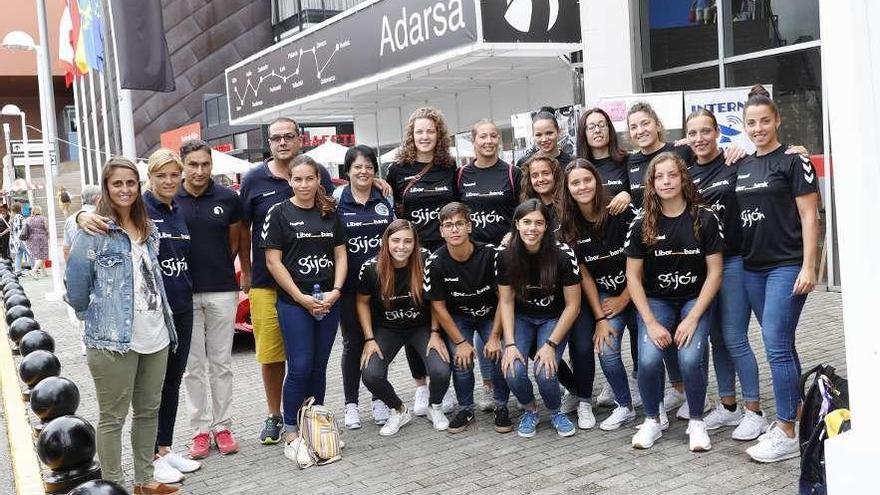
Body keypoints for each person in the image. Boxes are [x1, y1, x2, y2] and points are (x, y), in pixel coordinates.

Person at [65, 157, 180, 495]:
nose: (125, 190)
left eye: (131, 183)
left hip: (156, 334)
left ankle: (144, 480)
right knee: (113, 417)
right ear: (106, 187)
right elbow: (75, 286)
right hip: (112, 341)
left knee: (148, 411)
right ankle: (112, 486)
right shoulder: (94, 230)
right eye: (118, 183)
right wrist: (97, 317)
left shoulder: (148, 228)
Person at [238, 117, 336, 445]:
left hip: (314, 286)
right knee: (272, 354)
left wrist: (377, 184)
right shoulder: (254, 178)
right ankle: (274, 415)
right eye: (276, 138)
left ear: (299, 139)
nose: (282, 142)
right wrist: (247, 271)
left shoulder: (315, 172)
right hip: (268, 282)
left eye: (288, 136)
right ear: (270, 142)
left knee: (308, 359)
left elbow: (333, 210)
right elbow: (241, 226)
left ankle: (309, 415)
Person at [736, 91, 820, 463]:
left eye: (764, 121)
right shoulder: (741, 163)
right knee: (783, 344)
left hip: (787, 266)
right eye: (751, 123)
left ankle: (786, 430)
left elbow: (809, 216)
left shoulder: (794, 161)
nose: (758, 129)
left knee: (775, 345)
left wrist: (809, 265)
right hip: (753, 269)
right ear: (743, 126)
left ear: (777, 120)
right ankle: (799, 415)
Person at [625, 152, 723, 452]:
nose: (666, 181)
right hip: (657, 301)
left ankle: (696, 422)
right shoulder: (641, 224)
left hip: (694, 300)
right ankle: (653, 420)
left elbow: (716, 272)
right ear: (651, 183)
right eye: (659, 177)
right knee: (649, 360)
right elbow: (632, 277)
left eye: (672, 175)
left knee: (690, 358)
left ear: (683, 179)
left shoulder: (704, 218)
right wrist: (651, 323)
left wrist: (693, 317)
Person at [685, 109, 768, 441]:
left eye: (706, 131)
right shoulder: (685, 172)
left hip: (733, 262)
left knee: (734, 337)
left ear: (718, 132)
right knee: (715, 338)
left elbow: (769, 158)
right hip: (703, 266)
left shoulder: (736, 161)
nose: (700, 138)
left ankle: (755, 411)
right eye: (693, 133)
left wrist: (798, 151)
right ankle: (728, 405)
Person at [262, 154, 347, 461]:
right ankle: (290, 431)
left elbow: (340, 255)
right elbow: (273, 261)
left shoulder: (330, 212)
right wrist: (300, 297)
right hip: (294, 303)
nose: (304, 184)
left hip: (328, 300)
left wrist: (336, 291)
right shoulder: (279, 212)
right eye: (297, 179)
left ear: (318, 180)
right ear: (290, 181)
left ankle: (313, 424)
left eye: (309, 178)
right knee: (299, 365)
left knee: (319, 367)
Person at [385, 107, 458, 415]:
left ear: (438, 135)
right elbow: (389, 204)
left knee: (444, 316)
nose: (425, 136)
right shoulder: (397, 169)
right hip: (411, 254)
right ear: (411, 135)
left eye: (430, 131)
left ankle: (449, 385)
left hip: (443, 254)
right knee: (415, 316)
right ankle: (420, 386)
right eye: (419, 132)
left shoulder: (449, 167)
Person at [558, 159, 638, 431]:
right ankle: (625, 406)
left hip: (637, 290)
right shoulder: (568, 225)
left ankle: (656, 406)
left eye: (587, 180)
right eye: (575, 183)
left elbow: (642, 259)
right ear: (567, 189)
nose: (582, 187)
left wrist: (625, 298)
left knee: (648, 352)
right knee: (606, 348)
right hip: (605, 293)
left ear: (597, 180)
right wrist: (600, 318)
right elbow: (585, 276)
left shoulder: (620, 210)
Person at [358, 220, 451, 435]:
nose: (402, 246)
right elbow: (362, 302)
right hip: (388, 328)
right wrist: (369, 339)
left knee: (441, 370)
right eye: (396, 240)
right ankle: (399, 410)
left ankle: (434, 406)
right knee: (371, 374)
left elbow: (437, 299)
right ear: (386, 241)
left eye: (408, 241)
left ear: (415, 242)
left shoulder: (427, 259)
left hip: (421, 326)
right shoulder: (371, 267)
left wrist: (436, 333)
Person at [141, 149, 201, 484]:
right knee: (152, 387)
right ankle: (149, 455)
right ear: (150, 177)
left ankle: (165, 448)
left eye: (173, 175)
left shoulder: (177, 210)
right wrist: (79, 217)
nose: (168, 181)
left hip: (182, 307)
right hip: (154, 312)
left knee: (172, 382)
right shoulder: (140, 207)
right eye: (161, 175)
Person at [426, 202, 512, 434]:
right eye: (448, 225)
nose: (454, 230)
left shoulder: (491, 254)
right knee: (461, 360)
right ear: (442, 231)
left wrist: (495, 337)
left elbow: (504, 299)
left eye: (459, 224)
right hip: (459, 317)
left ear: (469, 227)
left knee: (498, 353)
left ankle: (501, 406)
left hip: (490, 315)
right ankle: (466, 408)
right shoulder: (435, 262)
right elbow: (439, 307)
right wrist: (461, 343)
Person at [498, 199, 581, 438]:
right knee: (512, 368)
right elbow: (506, 301)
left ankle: (556, 412)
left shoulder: (563, 254)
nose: (532, 228)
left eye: (538, 223)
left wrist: (550, 345)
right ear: (517, 224)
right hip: (522, 318)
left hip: (553, 318)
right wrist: (510, 344)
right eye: (526, 222)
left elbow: (573, 305)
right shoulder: (505, 255)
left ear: (547, 226)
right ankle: (530, 410)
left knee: (544, 370)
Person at [456, 119, 521, 409]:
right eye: (483, 136)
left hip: (506, 256)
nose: (489, 141)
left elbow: (523, 211)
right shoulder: (462, 175)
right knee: (484, 323)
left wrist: (512, 234)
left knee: (502, 319)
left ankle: (505, 386)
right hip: (475, 259)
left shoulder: (512, 172)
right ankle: (488, 385)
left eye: (494, 136)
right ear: (474, 140)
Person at [331, 145, 394, 429]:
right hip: (348, 287)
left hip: (381, 285)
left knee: (377, 342)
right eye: (357, 167)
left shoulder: (385, 198)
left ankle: (378, 399)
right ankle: (350, 404)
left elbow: (395, 238)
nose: (364, 171)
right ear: (347, 172)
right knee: (352, 344)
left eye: (369, 166)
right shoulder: (336, 200)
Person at [519, 153, 566, 232]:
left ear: (555, 175)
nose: (540, 179)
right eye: (535, 176)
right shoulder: (525, 209)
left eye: (546, 173)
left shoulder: (568, 204)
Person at [24, 205, 49, 279]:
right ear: (39, 211)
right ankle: (33, 270)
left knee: (38, 256)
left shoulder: (28, 219)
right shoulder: (43, 218)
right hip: (42, 238)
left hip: (31, 239)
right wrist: (48, 235)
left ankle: (44, 272)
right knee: (43, 256)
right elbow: (47, 228)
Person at [9, 203, 28, 275]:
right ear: (19, 209)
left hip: (15, 240)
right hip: (21, 238)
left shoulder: (12, 217)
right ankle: (34, 269)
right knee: (30, 253)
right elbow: (24, 226)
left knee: (18, 255)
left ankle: (17, 271)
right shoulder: (19, 216)